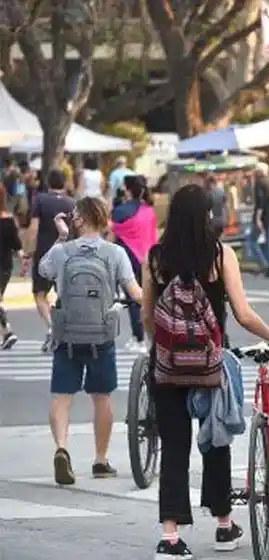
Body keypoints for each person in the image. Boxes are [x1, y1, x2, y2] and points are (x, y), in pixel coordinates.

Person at [141, 183, 269, 559]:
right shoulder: (220, 255)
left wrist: (161, 347)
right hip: (209, 364)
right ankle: (224, 525)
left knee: (174, 446)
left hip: (168, 367)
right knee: (216, 439)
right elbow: (242, 313)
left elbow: (147, 315)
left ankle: (171, 537)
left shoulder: (155, 257)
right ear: (208, 215)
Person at [37, 196, 144, 485]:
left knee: (62, 397)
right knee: (102, 397)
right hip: (101, 337)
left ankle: (61, 448)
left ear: (80, 219)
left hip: (67, 335)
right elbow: (135, 292)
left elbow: (42, 271)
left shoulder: (63, 252)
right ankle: (100, 459)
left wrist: (60, 237)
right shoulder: (115, 253)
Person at [26, 169, 76, 352]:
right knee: (64, 293)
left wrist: (28, 251)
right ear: (64, 183)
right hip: (67, 253)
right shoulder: (72, 203)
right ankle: (64, 330)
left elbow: (33, 227)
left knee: (40, 294)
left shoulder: (40, 200)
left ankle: (50, 326)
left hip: (45, 254)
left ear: (48, 183)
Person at [111, 174, 158, 352]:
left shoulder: (120, 211)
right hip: (148, 257)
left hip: (128, 257)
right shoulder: (149, 210)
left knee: (132, 298)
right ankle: (151, 337)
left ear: (127, 189)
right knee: (148, 297)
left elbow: (111, 232)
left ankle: (138, 338)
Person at [0, 184, 23, 349]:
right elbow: (17, 245)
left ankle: (8, 331)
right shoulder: (8, 221)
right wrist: (23, 260)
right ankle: (6, 332)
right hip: (5, 266)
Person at [248, 162, 269, 278]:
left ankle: (264, 263)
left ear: (260, 171)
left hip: (262, 216)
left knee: (252, 241)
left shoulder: (259, 183)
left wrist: (257, 219)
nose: (254, 172)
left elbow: (260, 202)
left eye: (256, 170)